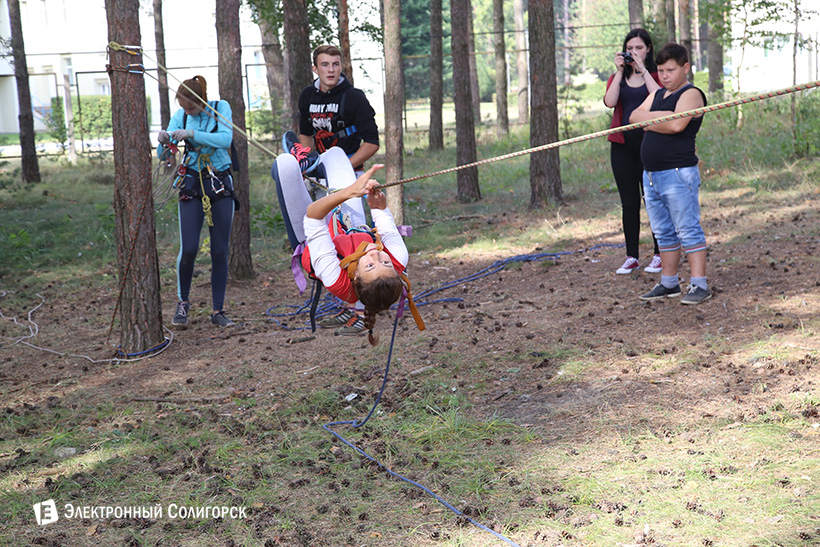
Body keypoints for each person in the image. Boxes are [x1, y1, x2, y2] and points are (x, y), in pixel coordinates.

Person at [271, 148, 424, 342]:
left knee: (285, 164)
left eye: (370, 265)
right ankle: (311, 166)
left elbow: (314, 216)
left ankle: (301, 168)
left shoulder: (336, 279)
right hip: (351, 227)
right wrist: (377, 202)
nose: (376, 256)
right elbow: (381, 213)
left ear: (356, 276)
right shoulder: (398, 258)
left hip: (309, 233)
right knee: (336, 153)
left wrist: (349, 192)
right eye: (385, 263)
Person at [284, 43, 381, 332]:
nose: (331, 70)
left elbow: (372, 143)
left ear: (342, 66)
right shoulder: (307, 96)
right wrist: (309, 166)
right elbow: (305, 135)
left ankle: (362, 312)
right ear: (315, 68)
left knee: (354, 239)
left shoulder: (354, 97)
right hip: (319, 177)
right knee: (330, 242)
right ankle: (346, 305)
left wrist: (341, 170)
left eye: (336, 64)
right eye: (325, 65)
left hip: (350, 175)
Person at [629, 43, 711, 305]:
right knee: (663, 232)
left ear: (685, 67)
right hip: (651, 175)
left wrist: (652, 120)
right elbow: (633, 117)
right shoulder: (658, 94)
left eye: (670, 70)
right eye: (661, 71)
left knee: (688, 229)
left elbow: (677, 125)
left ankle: (699, 284)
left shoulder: (691, 94)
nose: (664, 76)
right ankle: (669, 282)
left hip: (678, 174)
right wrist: (663, 116)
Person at [157, 75, 238, 327]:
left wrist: (192, 133)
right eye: (183, 107)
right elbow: (163, 154)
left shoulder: (220, 108)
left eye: (191, 107)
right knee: (189, 248)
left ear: (202, 101)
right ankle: (183, 303)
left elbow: (225, 139)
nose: (187, 111)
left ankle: (218, 310)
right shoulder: (180, 117)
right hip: (191, 183)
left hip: (219, 182)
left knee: (219, 250)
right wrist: (163, 142)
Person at [603, 28, 663, 275]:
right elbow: (609, 102)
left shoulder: (657, 75)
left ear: (648, 49)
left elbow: (659, 97)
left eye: (639, 48)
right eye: (629, 48)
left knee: (654, 201)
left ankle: (660, 253)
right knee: (629, 203)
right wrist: (620, 72)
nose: (634, 52)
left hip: (650, 146)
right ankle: (632, 256)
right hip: (622, 147)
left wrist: (643, 70)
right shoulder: (617, 77)